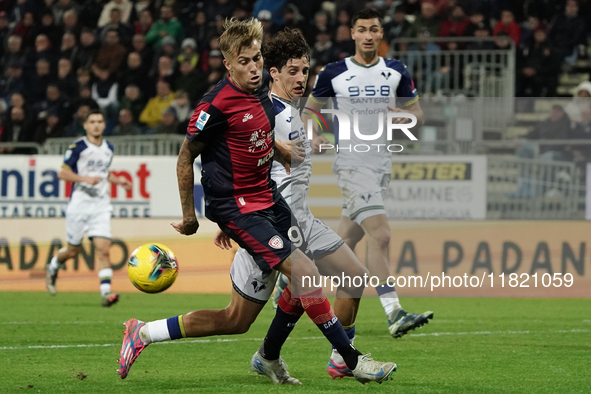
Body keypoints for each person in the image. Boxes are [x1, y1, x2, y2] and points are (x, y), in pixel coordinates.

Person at [117, 18, 397, 385]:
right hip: (241, 211)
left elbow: (257, 135)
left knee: (239, 319)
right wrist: (192, 218)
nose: (254, 68)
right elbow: (187, 157)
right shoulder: (214, 105)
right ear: (228, 63)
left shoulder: (261, 96)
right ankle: (351, 359)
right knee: (305, 275)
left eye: (257, 59)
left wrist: (280, 152)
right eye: (245, 61)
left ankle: (146, 333)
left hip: (267, 203)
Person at [305, 9, 433, 338]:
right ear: (352, 34)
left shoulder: (396, 71)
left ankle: (295, 282)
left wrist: (407, 119)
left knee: (345, 241)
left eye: (373, 29)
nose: (367, 35)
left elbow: (417, 113)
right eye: (361, 29)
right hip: (351, 163)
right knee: (382, 235)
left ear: (380, 35)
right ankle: (394, 312)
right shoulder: (333, 72)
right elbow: (309, 112)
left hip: (381, 166)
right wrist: (314, 134)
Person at [45, 110, 132, 306]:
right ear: (85, 125)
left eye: (100, 121)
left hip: (101, 205)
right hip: (79, 204)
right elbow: (62, 173)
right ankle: (52, 267)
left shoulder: (108, 148)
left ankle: (105, 293)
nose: (96, 125)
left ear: (104, 125)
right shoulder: (78, 147)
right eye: (92, 122)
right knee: (72, 251)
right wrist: (85, 179)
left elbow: (103, 173)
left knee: (103, 249)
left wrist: (118, 181)